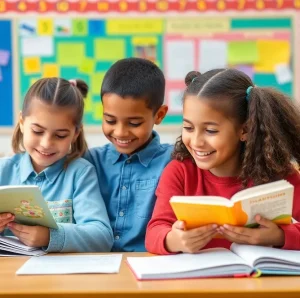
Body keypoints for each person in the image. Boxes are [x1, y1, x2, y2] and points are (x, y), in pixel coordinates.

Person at [145, 68, 300, 254]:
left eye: (210, 131)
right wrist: (174, 240)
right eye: (188, 127)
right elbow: (154, 232)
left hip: (261, 279)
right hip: (198, 279)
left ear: (245, 131)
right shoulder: (179, 172)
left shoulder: (279, 174)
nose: (196, 142)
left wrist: (280, 236)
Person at [0, 78, 113, 252]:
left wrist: (50, 236)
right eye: (37, 131)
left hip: (61, 276)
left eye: (60, 135)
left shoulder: (80, 173)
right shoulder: (3, 170)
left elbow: (102, 236)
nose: (46, 144)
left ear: (75, 134)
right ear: (22, 123)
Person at [84, 58, 172, 251]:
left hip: (150, 264)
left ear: (159, 115)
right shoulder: (90, 161)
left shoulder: (173, 161)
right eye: (110, 120)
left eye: (134, 123)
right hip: (97, 264)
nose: (121, 132)